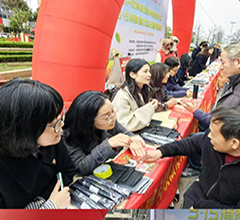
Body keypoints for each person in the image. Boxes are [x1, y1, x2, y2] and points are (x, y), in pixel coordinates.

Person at [141, 107, 240, 208]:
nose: (208, 135)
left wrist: (201, 206)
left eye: (213, 133)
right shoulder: (215, 140)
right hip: (198, 193)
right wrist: (161, 151)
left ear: (234, 143)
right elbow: (193, 143)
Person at [0, 78, 76, 209]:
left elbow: (68, 171)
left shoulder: (52, 141)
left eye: (60, 118)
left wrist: (45, 199)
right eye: (54, 124)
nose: (61, 126)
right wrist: (50, 206)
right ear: (25, 132)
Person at [183, 45, 240, 127]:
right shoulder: (238, 78)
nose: (220, 67)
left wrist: (198, 113)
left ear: (238, 62)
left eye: (223, 62)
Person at [62, 91, 146, 176]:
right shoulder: (69, 135)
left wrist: (132, 139)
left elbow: (125, 132)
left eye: (113, 111)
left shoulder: (110, 120)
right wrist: (108, 145)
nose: (114, 118)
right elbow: (81, 168)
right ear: (89, 121)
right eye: (106, 116)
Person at [112, 59, 158, 132]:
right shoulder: (123, 95)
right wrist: (149, 108)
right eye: (145, 71)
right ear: (132, 75)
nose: (149, 74)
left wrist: (151, 104)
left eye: (149, 71)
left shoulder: (143, 90)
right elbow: (126, 124)